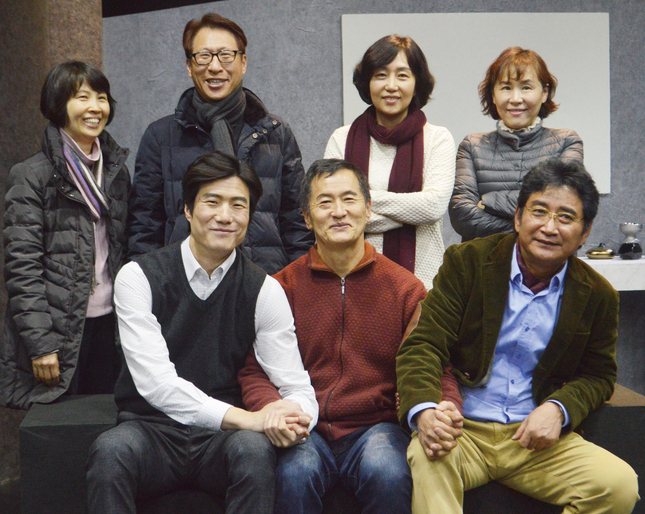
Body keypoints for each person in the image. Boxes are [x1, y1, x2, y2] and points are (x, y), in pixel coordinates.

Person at [397, 159, 639, 513]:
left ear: (585, 232)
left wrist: (559, 409)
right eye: (539, 211)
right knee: (426, 453)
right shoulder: (468, 262)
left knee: (618, 485)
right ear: (518, 217)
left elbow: (599, 375)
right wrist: (426, 411)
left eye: (566, 217)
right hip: (464, 432)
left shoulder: (598, 294)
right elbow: (423, 345)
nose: (549, 227)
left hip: (534, 440)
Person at [86, 151, 318, 514]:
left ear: (250, 216)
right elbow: (157, 384)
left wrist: (294, 416)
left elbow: (296, 385)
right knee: (110, 451)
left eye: (238, 205)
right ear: (188, 209)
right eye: (212, 202)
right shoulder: (139, 276)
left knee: (254, 452)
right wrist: (249, 419)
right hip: (151, 430)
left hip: (222, 441)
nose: (225, 216)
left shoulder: (265, 289)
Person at [238, 158, 463, 514]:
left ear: (368, 209)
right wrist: (274, 410)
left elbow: (435, 365)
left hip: (377, 427)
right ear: (307, 218)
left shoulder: (405, 289)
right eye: (325, 202)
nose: (339, 212)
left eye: (349, 199)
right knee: (294, 474)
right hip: (306, 426)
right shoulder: (281, 288)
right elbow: (254, 370)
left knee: (388, 472)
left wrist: (443, 407)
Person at [128, 12, 313, 274]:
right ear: (189, 66)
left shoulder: (276, 133)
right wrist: (149, 284)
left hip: (265, 279)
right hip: (183, 283)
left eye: (226, 55)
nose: (215, 67)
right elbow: (144, 227)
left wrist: (295, 284)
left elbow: (296, 222)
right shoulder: (160, 136)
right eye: (203, 56)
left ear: (243, 62)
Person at [0, 61, 130, 409]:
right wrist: (40, 343)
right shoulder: (31, 175)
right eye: (82, 97)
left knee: (106, 421)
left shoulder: (116, 172)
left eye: (101, 98)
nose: (95, 107)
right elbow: (22, 267)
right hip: (57, 328)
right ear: (59, 105)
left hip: (110, 326)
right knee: (59, 430)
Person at [324, 35, 456, 290]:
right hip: (351, 279)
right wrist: (411, 213)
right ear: (367, 82)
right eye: (381, 75)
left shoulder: (438, 138)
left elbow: (433, 207)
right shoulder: (341, 139)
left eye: (402, 75)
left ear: (417, 83)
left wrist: (361, 201)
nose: (391, 86)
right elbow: (334, 212)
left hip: (422, 283)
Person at [449, 47, 584, 242]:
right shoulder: (472, 145)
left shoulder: (566, 141)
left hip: (546, 259)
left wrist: (488, 201)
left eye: (526, 87)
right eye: (506, 88)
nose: (515, 99)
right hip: (483, 259)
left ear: (544, 93)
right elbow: (462, 216)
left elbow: (561, 206)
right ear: (493, 94)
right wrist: (534, 223)